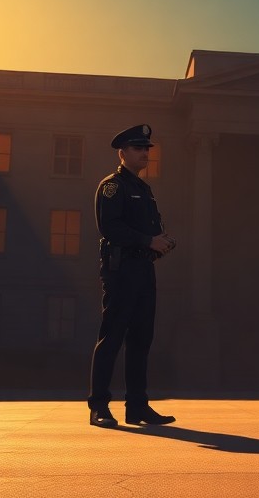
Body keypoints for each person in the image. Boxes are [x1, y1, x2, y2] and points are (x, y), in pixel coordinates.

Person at [88, 124, 178, 427]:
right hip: (121, 270)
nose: (145, 153)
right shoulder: (112, 186)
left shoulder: (143, 189)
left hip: (143, 269)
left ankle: (137, 407)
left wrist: (160, 243)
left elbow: (148, 230)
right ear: (122, 152)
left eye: (147, 149)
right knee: (112, 338)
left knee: (141, 340)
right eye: (138, 148)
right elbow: (109, 227)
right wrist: (147, 241)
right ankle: (99, 406)